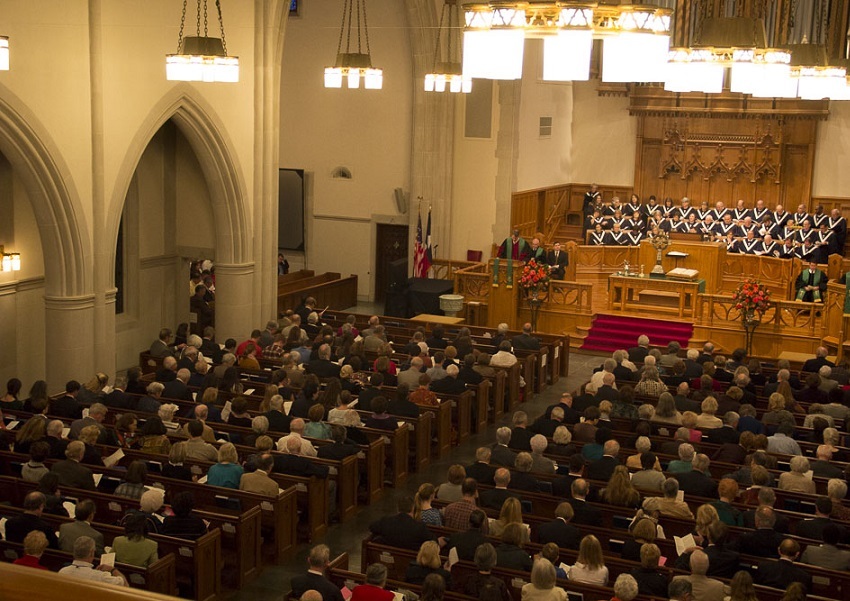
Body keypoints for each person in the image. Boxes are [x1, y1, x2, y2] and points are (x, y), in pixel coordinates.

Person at [368, 496, 435, 550]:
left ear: (398, 508)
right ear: (413, 509)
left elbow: (372, 527)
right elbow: (434, 542)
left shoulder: (386, 521)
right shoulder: (420, 527)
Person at [58, 536, 128, 586]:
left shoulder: (62, 572)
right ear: (91, 553)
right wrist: (113, 570)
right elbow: (124, 584)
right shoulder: (101, 577)